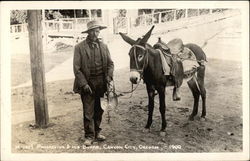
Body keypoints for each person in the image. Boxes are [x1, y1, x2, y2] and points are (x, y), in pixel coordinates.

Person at [73, 20, 114, 146]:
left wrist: (108, 76)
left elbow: (110, 64)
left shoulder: (104, 46)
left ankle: (97, 132)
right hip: (87, 84)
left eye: (98, 31)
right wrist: (84, 84)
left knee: (99, 109)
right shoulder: (79, 48)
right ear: (89, 32)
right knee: (88, 111)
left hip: (101, 83)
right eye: (94, 31)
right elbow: (77, 68)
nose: (96, 34)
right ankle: (89, 136)